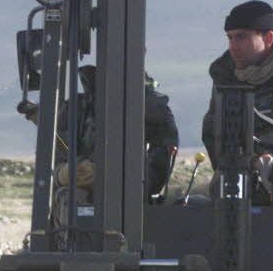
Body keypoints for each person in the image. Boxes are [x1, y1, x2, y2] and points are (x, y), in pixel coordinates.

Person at [201, 0, 273, 200]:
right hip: (252, 170)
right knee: (224, 186)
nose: (233, 47)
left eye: (241, 37)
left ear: (269, 37)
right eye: (230, 38)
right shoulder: (227, 77)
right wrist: (256, 161)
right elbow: (215, 133)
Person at [32, 65, 180, 207]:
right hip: (81, 207)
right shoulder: (78, 109)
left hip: (131, 206)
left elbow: (156, 174)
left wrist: (109, 178)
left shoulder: (152, 110)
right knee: (71, 200)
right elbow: (53, 160)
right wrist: (62, 174)